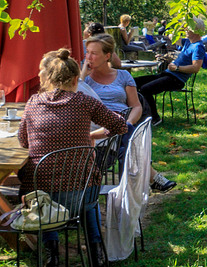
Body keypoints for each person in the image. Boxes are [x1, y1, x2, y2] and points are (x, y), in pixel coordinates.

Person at [17, 48, 130, 188]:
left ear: (49, 79)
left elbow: (23, 141)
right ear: (76, 79)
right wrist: (93, 136)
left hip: (39, 193)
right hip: (80, 189)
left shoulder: (33, 102)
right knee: (85, 202)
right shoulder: (85, 102)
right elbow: (121, 125)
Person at [79, 36, 144, 126]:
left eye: (94, 53)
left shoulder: (123, 75)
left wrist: (129, 123)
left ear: (107, 56)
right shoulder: (82, 79)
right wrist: (82, 76)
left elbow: (136, 106)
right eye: (87, 52)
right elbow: (73, 102)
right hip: (93, 126)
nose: (88, 57)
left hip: (120, 124)